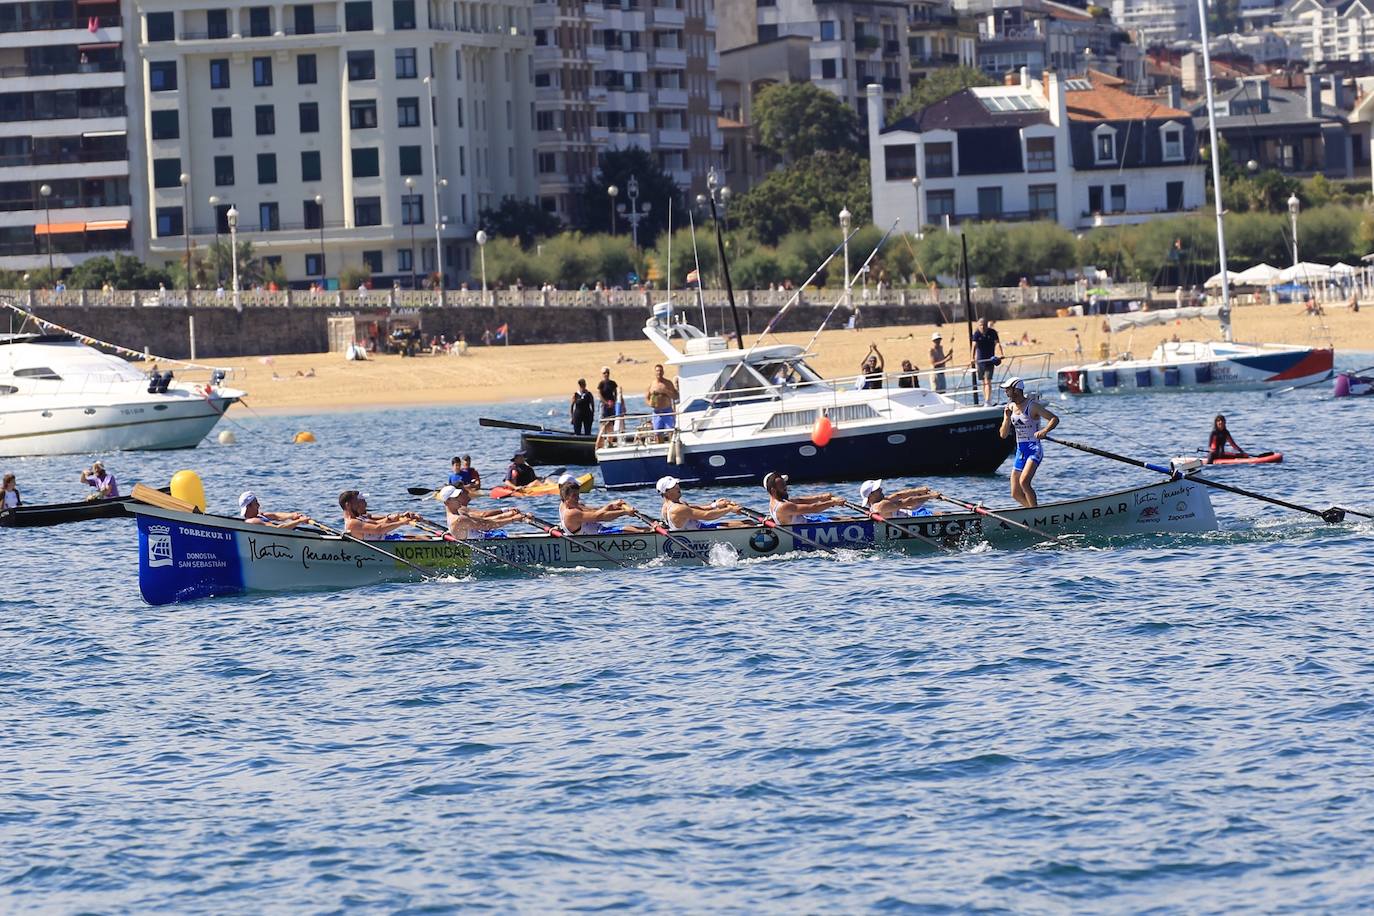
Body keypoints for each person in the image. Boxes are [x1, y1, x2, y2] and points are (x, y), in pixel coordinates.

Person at [999, 377, 1059, 508]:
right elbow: (1003, 435)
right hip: (1021, 451)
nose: (1006, 392)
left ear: (1016, 390)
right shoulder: (1010, 407)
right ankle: (1032, 511)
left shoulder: (1033, 406)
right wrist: (1007, 418)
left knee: (1024, 482)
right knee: (1015, 493)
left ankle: (1035, 513)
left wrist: (1044, 431)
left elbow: (1054, 419)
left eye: (1008, 390)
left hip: (1034, 449)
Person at [558, 474, 639, 534]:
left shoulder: (569, 505)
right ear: (566, 496)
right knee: (627, 530)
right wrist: (624, 512)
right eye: (574, 496)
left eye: (577, 495)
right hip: (596, 535)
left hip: (597, 531)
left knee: (633, 529)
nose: (578, 498)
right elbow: (599, 517)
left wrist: (611, 506)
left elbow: (594, 511)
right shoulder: (571, 512)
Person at [657, 475, 744, 530]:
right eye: (673, 486)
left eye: (676, 484)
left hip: (701, 526)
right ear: (666, 492)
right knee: (746, 526)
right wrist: (729, 509)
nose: (677, 487)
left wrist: (716, 505)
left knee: (748, 522)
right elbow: (707, 516)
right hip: (699, 534)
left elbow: (699, 508)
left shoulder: (675, 504)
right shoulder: (677, 509)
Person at [439, 485, 524, 539]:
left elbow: (485, 519)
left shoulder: (459, 513)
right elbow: (487, 525)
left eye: (458, 496)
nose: (459, 499)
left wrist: (509, 514)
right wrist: (513, 519)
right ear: (447, 502)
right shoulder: (459, 519)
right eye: (456, 497)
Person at [763, 471, 845, 526]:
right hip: (808, 530)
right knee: (846, 520)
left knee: (842, 518)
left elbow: (800, 500)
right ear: (773, 490)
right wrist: (834, 502)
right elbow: (814, 508)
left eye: (784, 484)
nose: (786, 487)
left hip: (809, 521)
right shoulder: (783, 506)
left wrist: (822, 497)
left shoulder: (776, 502)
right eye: (782, 486)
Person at [339, 490, 417, 540]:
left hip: (386, 539)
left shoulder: (358, 518)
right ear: (348, 505)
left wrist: (399, 517)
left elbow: (377, 523)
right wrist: (401, 523)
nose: (360, 505)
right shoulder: (352, 523)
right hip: (384, 544)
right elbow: (378, 529)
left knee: (422, 537)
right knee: (420, 539)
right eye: (357, 502)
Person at [859, 479, 935, 519]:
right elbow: (908, 502)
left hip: (914, 513)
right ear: (871, 495)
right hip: (916, 517)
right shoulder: (880, 506)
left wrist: (919, 490)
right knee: (939, 515)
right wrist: (930, 496)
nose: (881, 489)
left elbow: (899, 495)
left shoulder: (880, 501)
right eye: (877, 489)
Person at [971, 317, 1004, 404]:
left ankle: (988, 400)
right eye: (981, 325)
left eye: (984, 325)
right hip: (980, 361)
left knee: (988, 380)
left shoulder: (992, 332)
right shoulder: (977, 334)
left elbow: (997, 343)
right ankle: (985, 399)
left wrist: (1001, 353)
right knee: (983, 381)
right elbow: (974, 346)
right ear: (978, 326)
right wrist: (972, 358)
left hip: (990, 360)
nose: (983, 327)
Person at [239, 491, 308, 528]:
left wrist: (292, 515)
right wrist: (299, 521)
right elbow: (278, 529)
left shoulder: (259, 515)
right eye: (256, 503)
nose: (259, 505)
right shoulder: (253, 521)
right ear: (248, 506)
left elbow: (276, 516)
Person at [646, 363, 679, 435]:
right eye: (657, 371)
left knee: (671, 431)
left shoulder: (668, 383)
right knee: (658, 434)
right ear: (655, 372)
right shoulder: (652, 384)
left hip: (667, 411)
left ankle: (672, 442)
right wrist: (650, 404)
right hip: (657, 412)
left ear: (663, 372)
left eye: (660, 371)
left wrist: (666, 392)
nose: (659, 372)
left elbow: (676, 396)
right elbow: (647, 398)